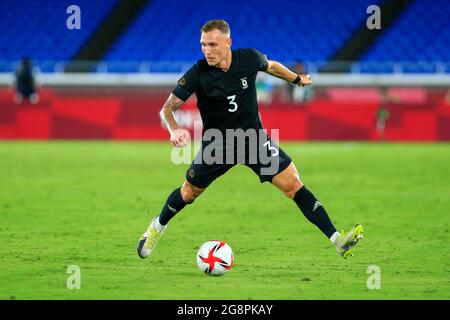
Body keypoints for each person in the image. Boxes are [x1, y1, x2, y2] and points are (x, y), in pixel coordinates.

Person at [137, 20, 363, 260]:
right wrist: (174, 130)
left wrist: (296, 79)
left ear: (228, 43)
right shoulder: (197, 73)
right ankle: (157, 226)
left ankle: (338, 240)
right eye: (203, 45)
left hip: (253, 140)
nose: (207, 50)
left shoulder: (249, 59)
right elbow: (167, 109)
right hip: (218, 146)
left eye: (212, 44)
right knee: (189, 193)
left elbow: (272, 66)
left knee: (293, 185)